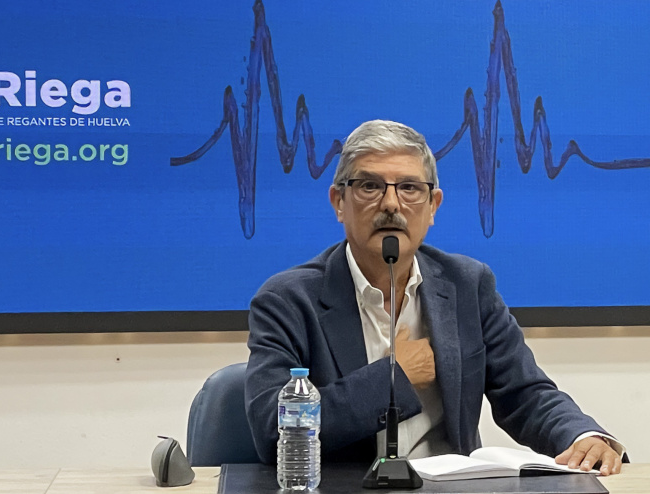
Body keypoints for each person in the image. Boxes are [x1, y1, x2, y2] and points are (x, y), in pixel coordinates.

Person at [244, 120, 625, 475]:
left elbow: (524, 394)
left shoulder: (467, 285)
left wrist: (582, 437)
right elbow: (272, 431)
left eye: (409, 188)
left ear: (433, 207)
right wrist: (395, 378)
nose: (391, 204)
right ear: (339, 202)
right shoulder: (288, 300)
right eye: (370, 186)